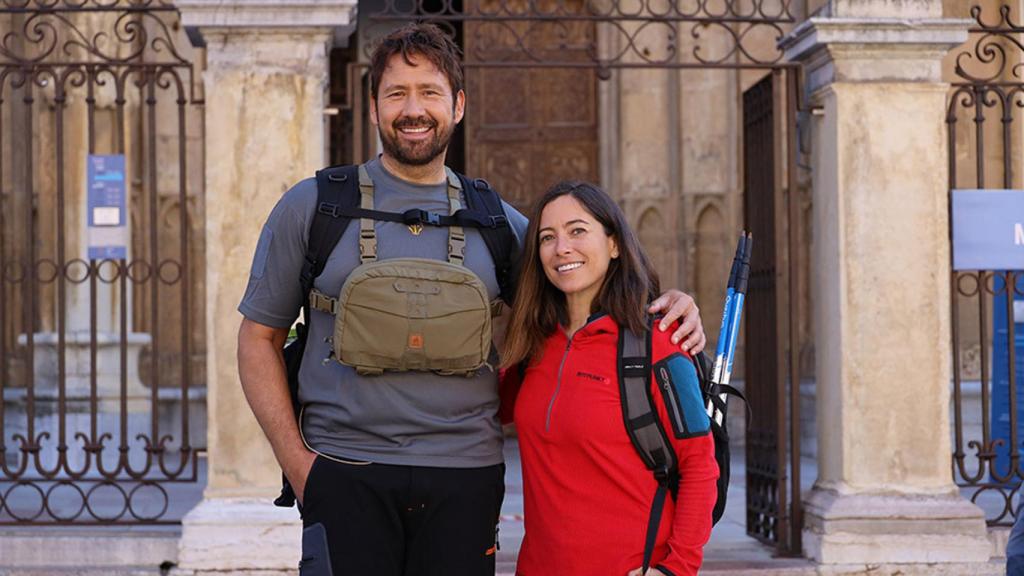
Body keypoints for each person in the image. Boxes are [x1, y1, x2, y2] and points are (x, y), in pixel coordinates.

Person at [236, 23, 706, 576]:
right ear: (373, 108)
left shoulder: (496, 222)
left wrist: (671, 302)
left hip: (465, 475)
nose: (414, 109)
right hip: (344, 469)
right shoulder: (315, 207)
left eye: (430, 92)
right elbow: (257, 338)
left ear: (458, 105)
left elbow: (580, 278)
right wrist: (298, 465)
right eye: (397, 93)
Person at [501, 181, 719, 576]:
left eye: (577, 231)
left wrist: (677, 568)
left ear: (614, 244)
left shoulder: (660, 343)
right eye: (547, 237)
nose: (561, 247)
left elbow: (700, 467)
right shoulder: (532, 345)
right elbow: (476, 408)